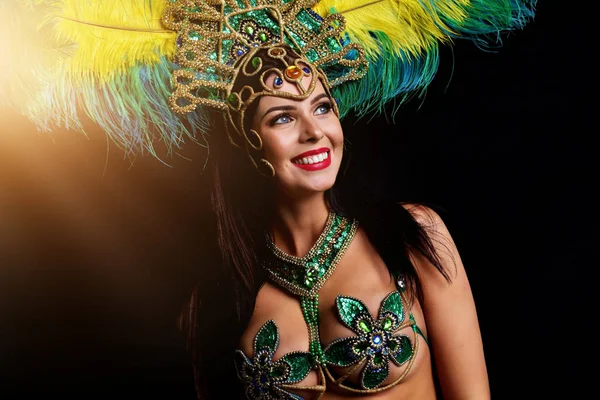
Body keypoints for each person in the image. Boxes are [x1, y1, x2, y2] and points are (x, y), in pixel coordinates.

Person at [1, 0, 537, 398]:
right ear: (246, 143)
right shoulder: (219, 298)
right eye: (283, 117)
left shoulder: (413, 234)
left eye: (322, 107)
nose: (315, 132)